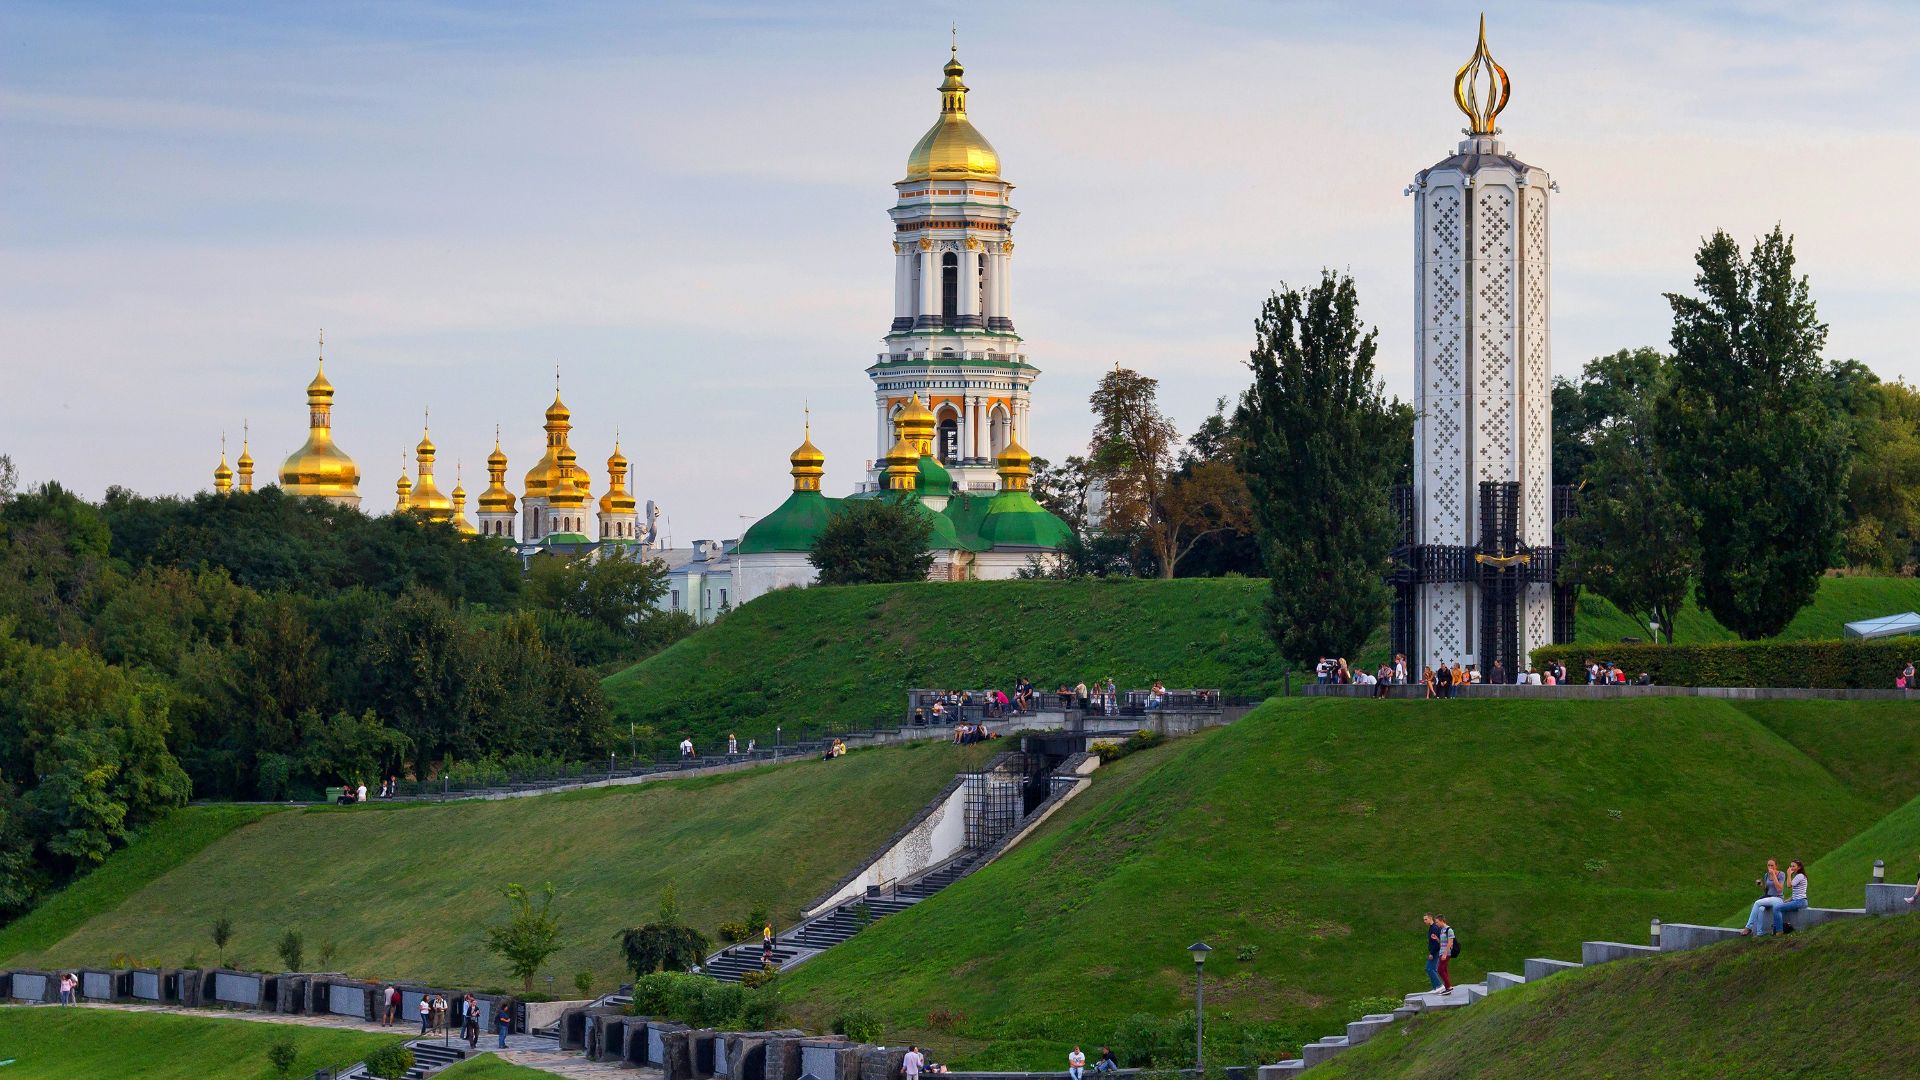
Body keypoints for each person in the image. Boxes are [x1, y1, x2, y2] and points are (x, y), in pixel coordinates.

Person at [1742, 859, 1787, 936]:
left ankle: (1748, 927)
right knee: (1760, 909)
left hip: (1778, 898)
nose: (1770, 867)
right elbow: (1767, 890)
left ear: (1776, 866)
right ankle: (1759, 933)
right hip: (1769, 897)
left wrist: (1773, 875)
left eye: (1772, 865)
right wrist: (1761, 885)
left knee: (1757, 902)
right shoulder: (1766, 875)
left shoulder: (1781, 874)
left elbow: (1779, 889)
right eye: (1768, 865)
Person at [1775, 860, 1809, 934]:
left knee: (1777, 908)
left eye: (1793, 866)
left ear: (1799, 867)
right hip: (1799, 901)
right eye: (1791, 866)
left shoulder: (1800, 876)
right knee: (1781, 906)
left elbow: (1789, 885)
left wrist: (1788, 874)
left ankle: (1779, 931)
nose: (1791, 868)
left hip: (1800, 902)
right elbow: (1797, 893)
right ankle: (1785, 926)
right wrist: (1788, 900)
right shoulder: (1799, 876)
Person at [1434, 915, 1456, 995]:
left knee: (1440, 969)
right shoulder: (1442, 930)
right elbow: (1443, 942)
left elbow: (1450, 942)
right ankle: (1447, 987)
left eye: (1437, 922)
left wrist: (1445, 953)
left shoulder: (1449, 930)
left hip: (1446, 953)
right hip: (1441, 952)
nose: (1436, 924)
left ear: (1441, 920)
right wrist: (1437, 939)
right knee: (1444, 970)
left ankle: (1449, 987)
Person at [1423, 914, 1441, 992]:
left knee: (1429, 968)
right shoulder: (1431, 928)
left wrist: (1432, 953)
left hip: (1435, 951)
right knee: (1431, 969)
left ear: (1430, 918)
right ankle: (1435, 988)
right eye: (1424, 920)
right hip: (1434, 951)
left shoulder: (1434, 928)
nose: (1424, 921)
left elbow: (1436, 943)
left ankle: (1439, 986)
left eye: (1426, 919)